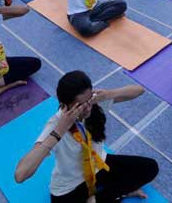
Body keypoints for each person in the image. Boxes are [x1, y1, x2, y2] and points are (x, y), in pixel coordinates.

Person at [15, 70, 158, 202]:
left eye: (89, 100)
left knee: (150, 168)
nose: (88, 108)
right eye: (81, 105)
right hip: (71, 184)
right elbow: (20, 175)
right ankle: (111, 195)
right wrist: (59, 131)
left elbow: (139, 91)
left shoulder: (94, 104)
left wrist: (108, 94)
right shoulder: (56, 125)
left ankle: (99, 198)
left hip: (99, 165)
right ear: (65, 105)